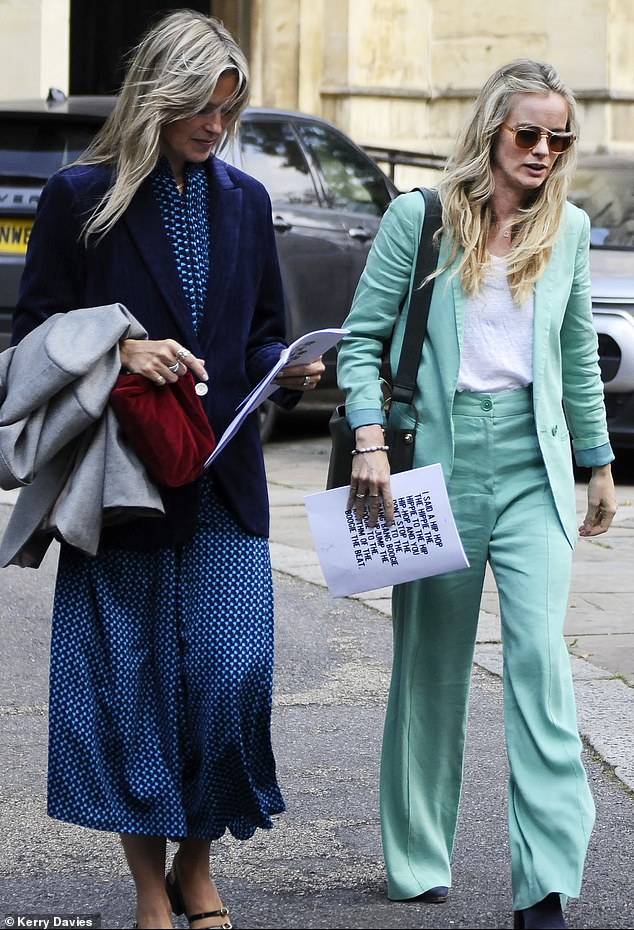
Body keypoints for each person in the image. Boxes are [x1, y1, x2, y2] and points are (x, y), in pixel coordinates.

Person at [12, 10, 323, 930]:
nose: (216, 127)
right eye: (202, 107)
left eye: (228, 111)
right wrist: (123, 352)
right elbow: (35, 334)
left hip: (223, 477)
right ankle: (155, 890)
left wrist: (289, 368)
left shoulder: (246, 200)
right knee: (132, 689)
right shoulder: (80, 197)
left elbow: (264, 328)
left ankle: (199, 860)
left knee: (232, 680)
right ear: (161, 93)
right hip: (126, 483)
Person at [337, 59, 617, 930]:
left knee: (539, 663)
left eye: (558, 137)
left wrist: (598, 461)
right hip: (438, 460)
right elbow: (359, 343)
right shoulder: (418, 220)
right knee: (431, 667)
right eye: (527, 133)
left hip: (534, 466)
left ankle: (546, 883)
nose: (543, 150)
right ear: (492, 130)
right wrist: (371, 443)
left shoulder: (567, 228)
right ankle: (419, 858)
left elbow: (575, 355)